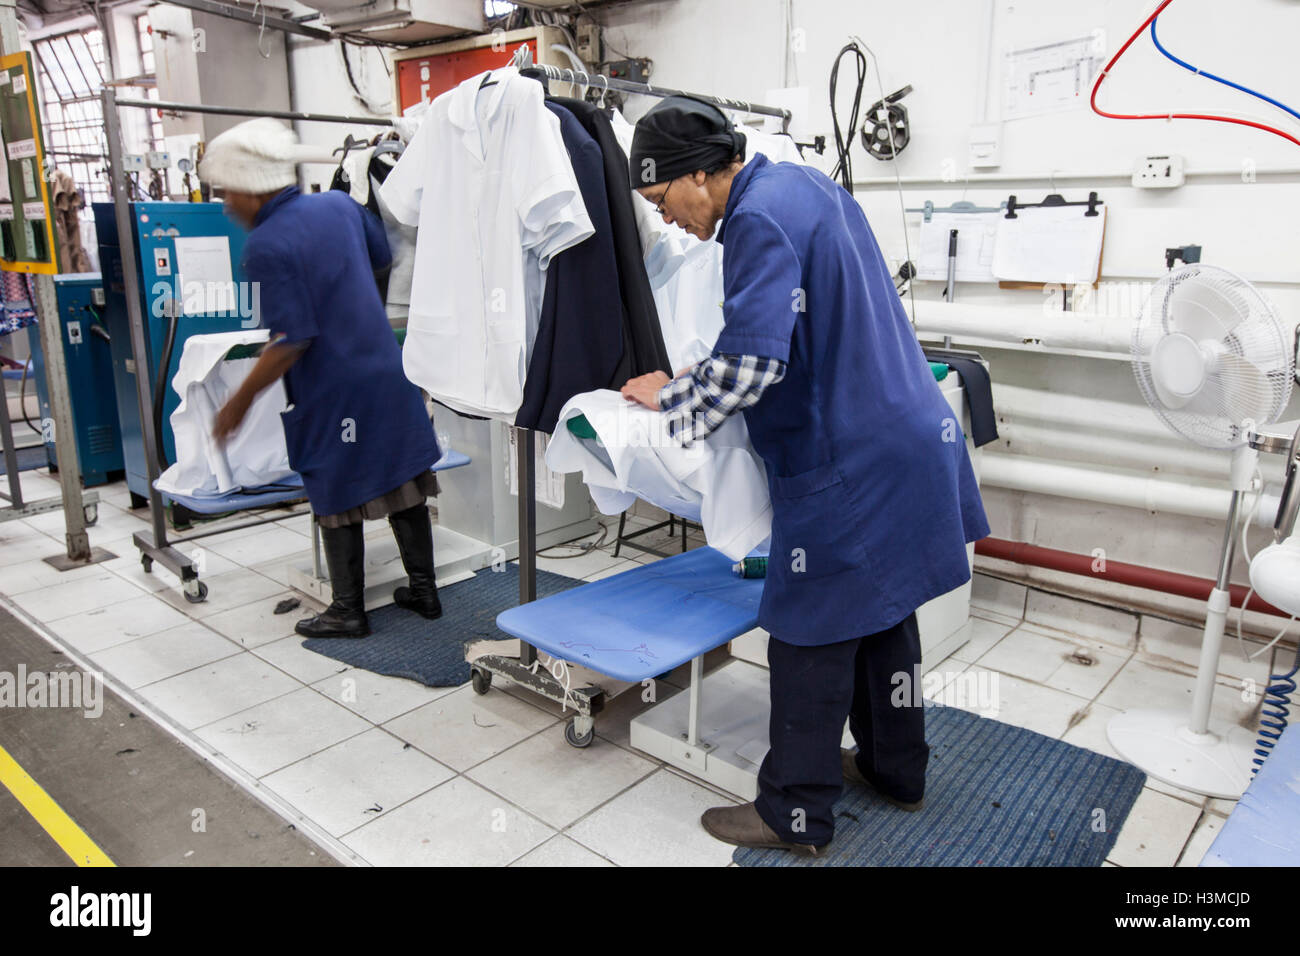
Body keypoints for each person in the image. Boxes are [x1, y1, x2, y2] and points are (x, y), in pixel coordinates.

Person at [621, 97, 990, 855]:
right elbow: (795, 325)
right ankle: (897, 768)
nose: (666, 221)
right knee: (884, 615)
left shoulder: (754, 221)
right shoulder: (808, 186)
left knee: (805, 634)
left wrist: (674, 395)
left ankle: (793, 811)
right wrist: (714, 366)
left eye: (662, 203)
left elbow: (756, 363)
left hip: (849, 461)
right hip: (908, 434)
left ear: (697, 176)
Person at [201, 118, 443, 639]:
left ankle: (347, 609)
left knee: (334, 487)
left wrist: (237, 404)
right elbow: (383, 257)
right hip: (385, 366)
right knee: (402, 476)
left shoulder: (264, 246)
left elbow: (292, 340)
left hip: (333, 387)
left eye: (227, 194)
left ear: (251, 188)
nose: (226, 206)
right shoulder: (336, 206)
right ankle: (424, 592)